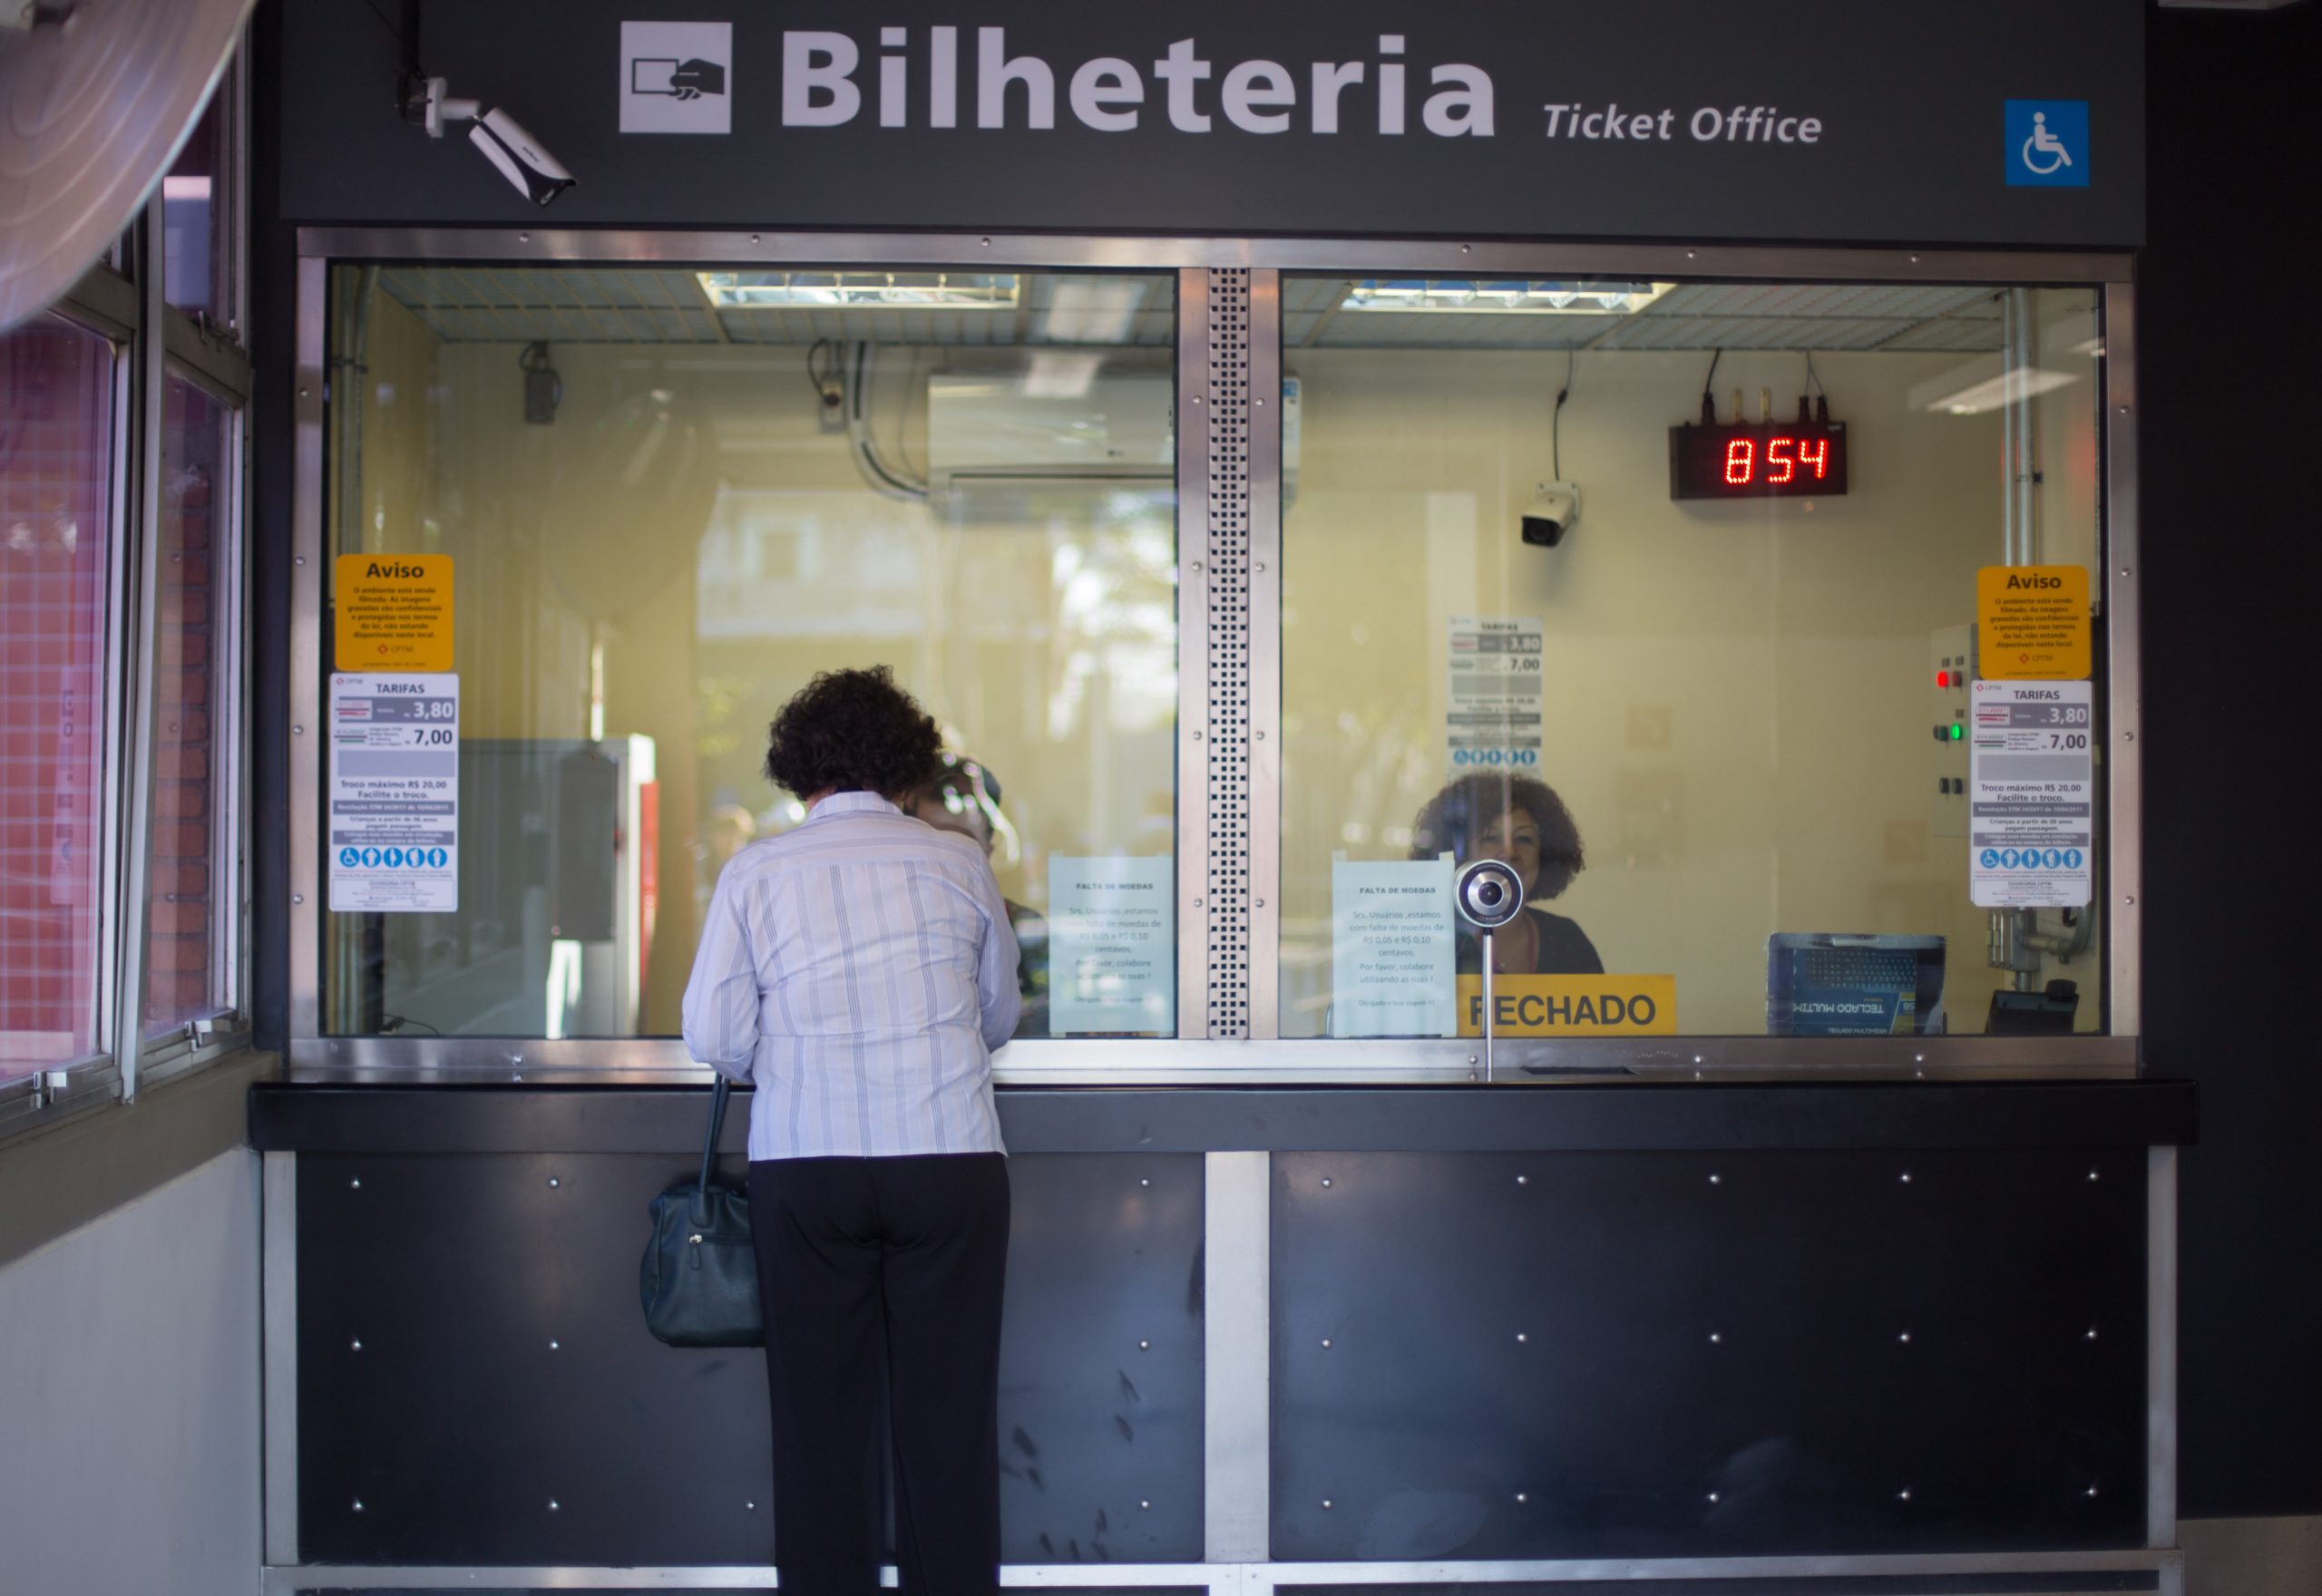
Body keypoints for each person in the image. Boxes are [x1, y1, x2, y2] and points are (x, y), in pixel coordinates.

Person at [682, 666, 1020, 1596]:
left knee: (819, 1424)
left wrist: (789, 1055)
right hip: (949, 1157)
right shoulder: (958, 861)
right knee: (946, 1421)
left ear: (799, 769)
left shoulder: (755, 870)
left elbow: (712, 1035)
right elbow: (996, 1015)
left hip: (808, 1163)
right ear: (905, 765)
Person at [909, 753, 1049, 1038]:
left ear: (987, 848)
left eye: (963, 845)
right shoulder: (893, 931)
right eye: (932, 844)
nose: (949, 861)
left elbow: (1047, 1008)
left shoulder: (1025, 926)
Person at [1410, 772, 1605, 975]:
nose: (1510, 853)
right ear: (1459, 854)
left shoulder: (1567, 940)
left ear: (1544, 854)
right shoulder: (1432, 940)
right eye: (1491, 839)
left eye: (1523, 839)